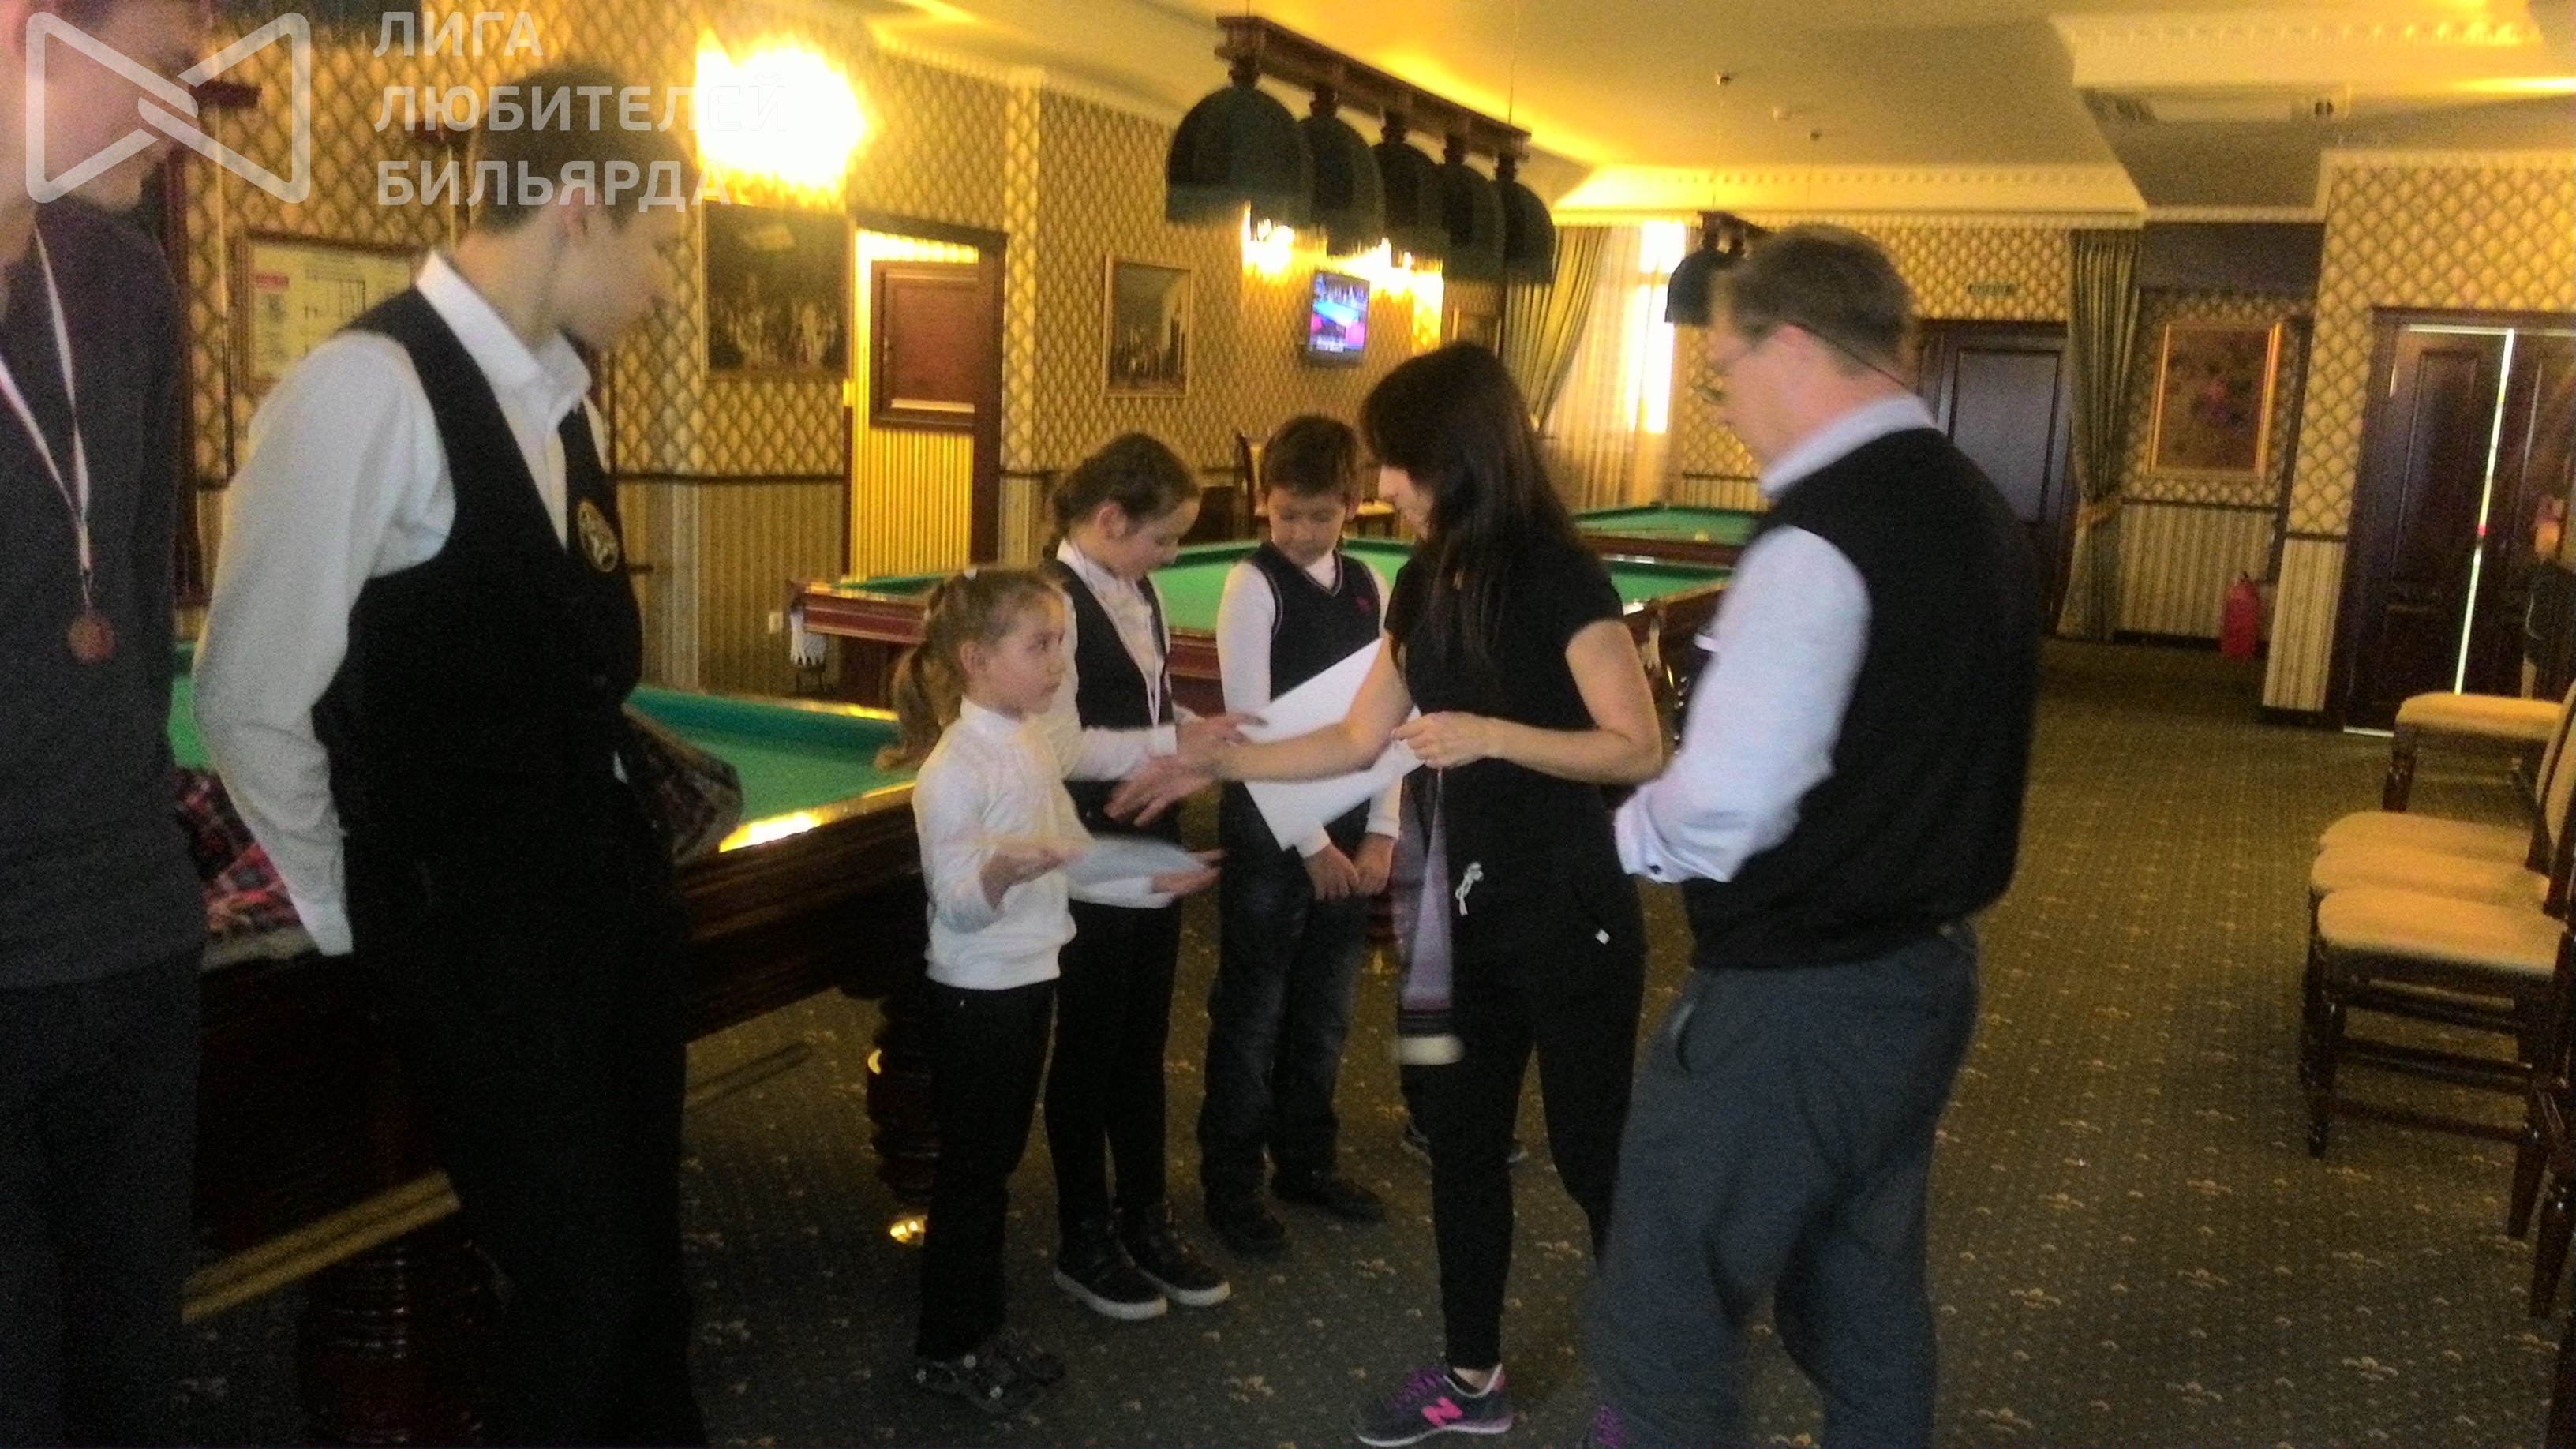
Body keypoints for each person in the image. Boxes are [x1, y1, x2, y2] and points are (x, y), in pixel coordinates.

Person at [194, 63, 706, 1444]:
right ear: (581, 207)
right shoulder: (364, 389)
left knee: (648, 1283)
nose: (667, 283)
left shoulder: (565, 398)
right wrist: (356, 909)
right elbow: (248, 696)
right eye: (662, 244)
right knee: (584, 1291)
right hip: (480, 943)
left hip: (603, 909)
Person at [1115, 344, 1663, 1446]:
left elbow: (1640, 747)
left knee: (1594, 1156)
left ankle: (1653, 1396)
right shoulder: (1422, 582)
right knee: (1461, 1146)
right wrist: (1214, 765)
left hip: (1570, 913)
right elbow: (1357, 738)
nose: (1383, 488)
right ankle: (1473, 1381)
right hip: (1460, 917)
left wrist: (1493, 735)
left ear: (1457, 460)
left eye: (1399, 465)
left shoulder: (1560, 576)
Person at [1580, 225, 2041, 1449]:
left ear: (1788, 345)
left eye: (1722, 371)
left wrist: (1617, 841)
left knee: (1661, 1313)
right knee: (1861, 1300)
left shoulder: (1821, 538)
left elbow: (1726, 804)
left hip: (1799, 1007)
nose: (1724, 404)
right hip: (1923, 978)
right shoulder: (1974, 506)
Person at [0, 2, 207, 1441]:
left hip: (131, 936)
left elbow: (132, 600)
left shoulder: (126, 284)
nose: (186, 119)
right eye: (165, 74)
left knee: (134, 1380)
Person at [884, 567, 1215, 1416]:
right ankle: (946, 1346)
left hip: (1031, 980)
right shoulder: (953, 771)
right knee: (971, 1178)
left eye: (1061, 644)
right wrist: (1004, 870)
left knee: (996, 1169)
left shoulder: (1029, 741)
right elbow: (958, 907)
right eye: (1040, 646)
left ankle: (984, 1329)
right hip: (977, 996)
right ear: (977, 659)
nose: (1059, 664)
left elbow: (1077, 856)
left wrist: (1152, 878)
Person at [1039, 433, 1241, 1320]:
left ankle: (1145, 1217)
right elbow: (1061, 746)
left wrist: (1197, 726)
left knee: (1143, 1041)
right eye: (1164, 538)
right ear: (1110, 519)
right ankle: (1083, 1234)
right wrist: (1176, 742)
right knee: (1089, 1045)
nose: (1171, 556)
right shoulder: (1052, 602)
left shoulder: (1138, 588)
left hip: (1152, 835)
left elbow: (1148, 702)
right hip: (1084, 852)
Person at [1199, 415, 1397, 1260]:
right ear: (1264, 503)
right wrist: (1313, 844)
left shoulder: (1371, 585)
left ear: (1351, 505)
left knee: (1326, 1011)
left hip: (1353, 826)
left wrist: (1382, 832)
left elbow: (1392, 721)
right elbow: (1248, 736)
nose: (1301, 531)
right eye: (1286, 514)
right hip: (1273, 832)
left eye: (1319, 516)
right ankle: (1232, 1182)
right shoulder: (1253, 586)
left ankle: (1306, 1160)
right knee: (1254, 1012)